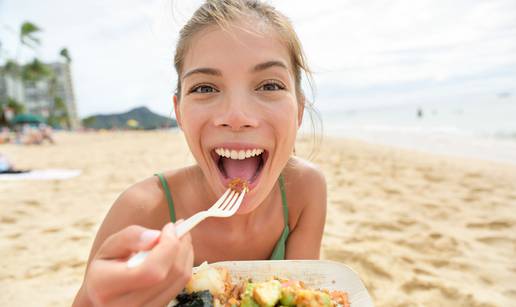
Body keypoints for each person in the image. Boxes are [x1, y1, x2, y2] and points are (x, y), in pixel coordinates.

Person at [73, 1, 327, 306]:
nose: (236, 115)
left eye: (269, 85)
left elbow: (300, 298)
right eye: (205, 88)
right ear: (179, 113)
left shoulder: (305, 192)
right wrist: (95, 298)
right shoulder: (142, 211)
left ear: (299, 110)